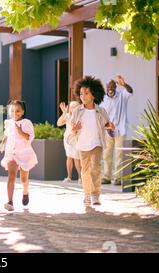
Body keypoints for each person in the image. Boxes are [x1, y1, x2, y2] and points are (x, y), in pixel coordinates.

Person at [67, 76, 114, 207]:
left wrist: (110, 126)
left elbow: (106, 124)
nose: (83, 96)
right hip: (82, 145)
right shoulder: (77, 111)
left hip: (96, 144)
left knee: (96, 169)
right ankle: (86, 194)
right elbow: (71, 129)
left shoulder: (100, 110)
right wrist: (74, 129)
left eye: (86, 93)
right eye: (81, 93)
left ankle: (95, 195)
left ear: (94, 94)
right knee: (85, 171)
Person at [0, 100, 38, 211]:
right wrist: (2, 144)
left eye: (18, 111)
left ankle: (25, 191)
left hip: (24, 153)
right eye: (12, 111)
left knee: (24, 179)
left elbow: (29, 137)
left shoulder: (26, 122)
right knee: (11, 176)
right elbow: (7, 135)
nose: (15, 113)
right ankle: (10, 201)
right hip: (11, 153)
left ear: (23, 111)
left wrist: (20, 132)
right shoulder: (8, 123)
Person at [100, 75, 133, 185]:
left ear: (115, 87)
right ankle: (106, 177)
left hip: (121, 130)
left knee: (119, 154)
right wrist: (107, 127)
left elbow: (130, 91)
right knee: (107, 154)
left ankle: (118, 178)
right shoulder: (103, 100)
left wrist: (124, 84)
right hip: (108, 131)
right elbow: (101, 116)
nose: (110, 89)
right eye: (108, 87)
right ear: (106, 88)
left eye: (112, 86)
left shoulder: (122, 96)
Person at [57, 100, 82, 184]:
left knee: (77, 158)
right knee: (69, 157)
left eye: (75, 106)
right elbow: (59, 123)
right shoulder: (67, 116)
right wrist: (64, 112)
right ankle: (69, 177)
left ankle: (80, 177)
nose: (73, 108)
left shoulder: (80, 116)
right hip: (67, 139)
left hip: (77, 139)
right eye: (71, 107)